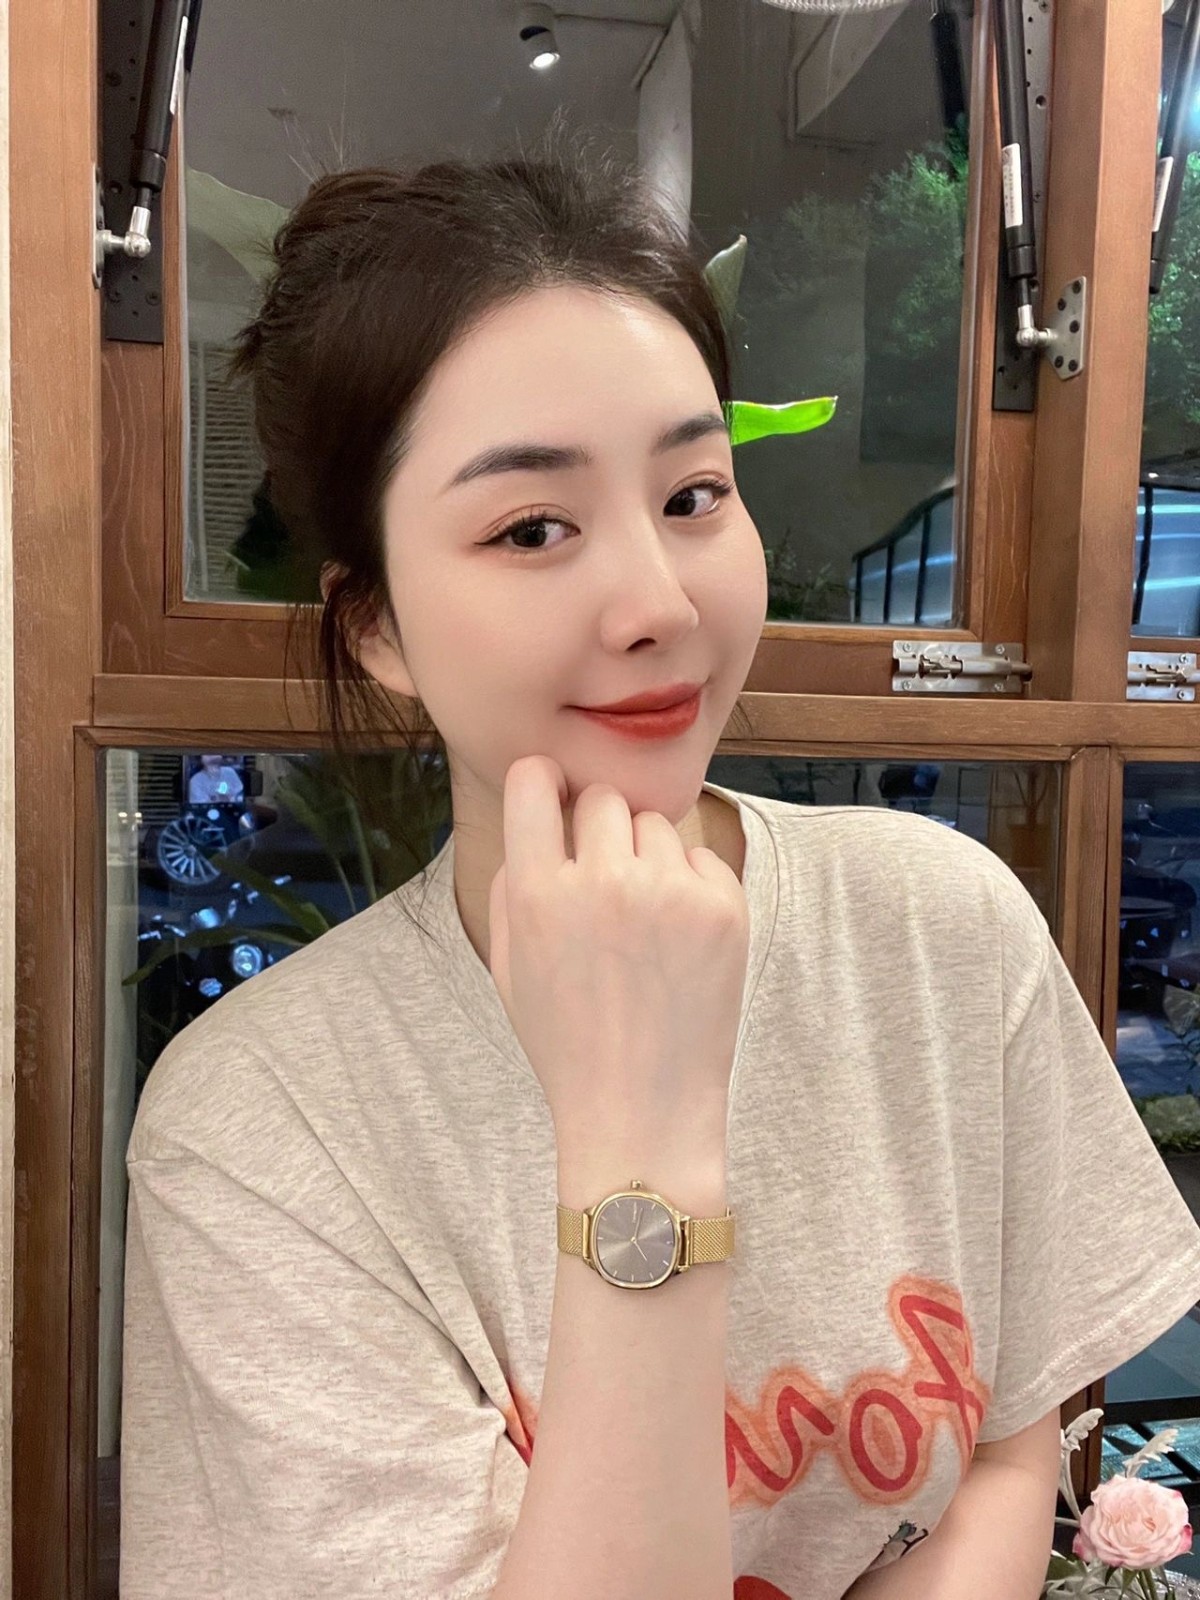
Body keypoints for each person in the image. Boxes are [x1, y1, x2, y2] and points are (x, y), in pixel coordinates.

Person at [118, 131, 1200, 1600]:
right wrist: (639, 1148)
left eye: (694, 496)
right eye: (533, 526)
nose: (658, 603)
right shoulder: (265, 1129)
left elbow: (1014, 1443)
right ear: (374, 625)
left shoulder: (938, 927)